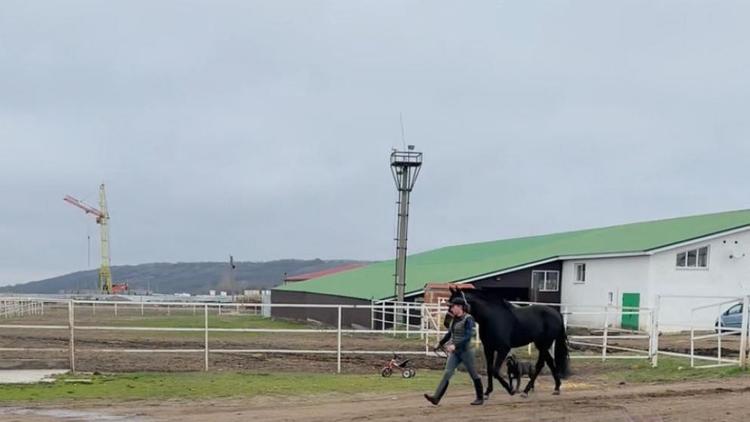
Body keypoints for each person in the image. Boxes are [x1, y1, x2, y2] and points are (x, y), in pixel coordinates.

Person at [424, 296, 483, 406]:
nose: (451, 309)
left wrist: (455, 345)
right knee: (447, 373)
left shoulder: (468, 319)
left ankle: (480, 397)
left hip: (466, 351)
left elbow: (468, 335)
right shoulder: (454, 319)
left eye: (452, 307)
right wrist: (440, 343)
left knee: (473, 374)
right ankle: (436, 397)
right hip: (455, 352)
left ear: (460, 307)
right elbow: (449, 334)